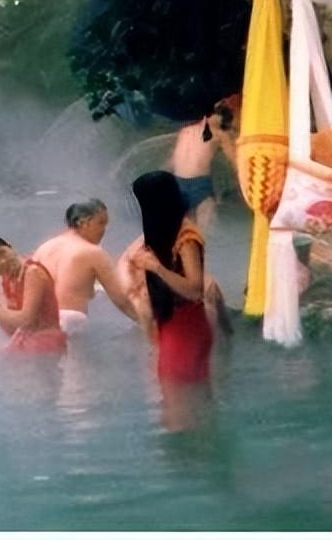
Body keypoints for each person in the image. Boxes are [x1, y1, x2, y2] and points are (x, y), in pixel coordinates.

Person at [126, 170, 218, 429]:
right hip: (179, 328)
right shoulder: (165, 233)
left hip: (185, 330)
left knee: (177, 420)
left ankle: (189, 467)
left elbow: (194, 289)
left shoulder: (186, 238)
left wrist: (157, 269)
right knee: (198, 413)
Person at [31, 199, 140, 336]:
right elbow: (121, 299)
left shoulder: (44, 248)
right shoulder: (93, 252)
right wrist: (145, 323)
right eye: (101, 223)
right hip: (71, 321)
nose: (104, 231)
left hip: (39, 323)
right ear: (84, 223)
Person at [0, 235, 67, 353]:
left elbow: (25, 320)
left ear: (9, 246)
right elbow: (12, 329)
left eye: (1, 253)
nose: (2, 261)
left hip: (48, 341)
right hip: (28, 341)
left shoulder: (32, 273)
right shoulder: (8, 278)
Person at [169, 94, 240, 229]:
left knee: (184, 232)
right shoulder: (219, 134)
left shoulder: (185, 130)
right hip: (200, 185)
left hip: (177, 182)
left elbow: (171, 162)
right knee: (207, 232)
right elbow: (235, 161)